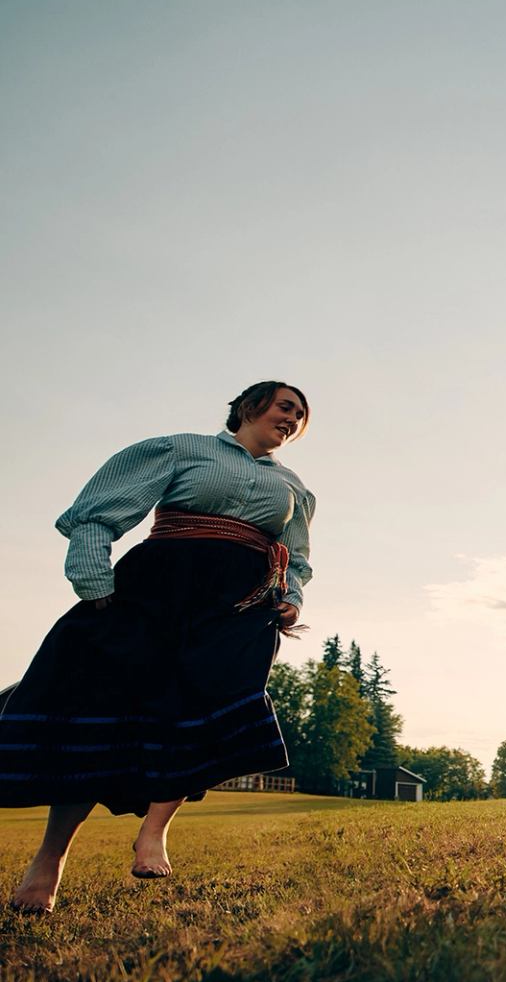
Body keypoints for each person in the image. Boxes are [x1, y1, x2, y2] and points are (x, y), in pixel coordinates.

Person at [2, 382, 315, 913]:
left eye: (301, 416)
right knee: (97, 710)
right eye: (286, 406)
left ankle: (155, 831)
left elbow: (298, 556)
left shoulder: (293, 488)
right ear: (248, 407)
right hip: (156, 589)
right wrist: (94, 579)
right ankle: (49, 860)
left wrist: (292, 598)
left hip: (237, 608)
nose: (293, 418)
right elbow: (98, 510)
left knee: (209, 711)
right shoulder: (183, 449)